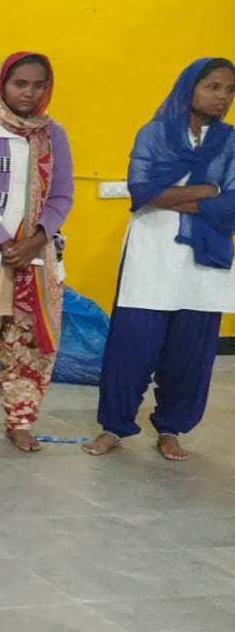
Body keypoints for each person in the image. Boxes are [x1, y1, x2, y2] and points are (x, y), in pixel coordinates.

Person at [84, 57, 235, 461]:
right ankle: (114, 426)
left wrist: (177, 198)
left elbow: (233, 205)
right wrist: (208, 192)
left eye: (229, 90)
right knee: (133, 343)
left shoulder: (230, 141)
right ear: (189, 87)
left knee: (191, 349)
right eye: (213, 87)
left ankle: (171, 428)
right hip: (152, 250)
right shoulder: (154, 134)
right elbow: (142, 191)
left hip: (206, 256)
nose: (222, 97)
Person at [0, 52, 73, 452]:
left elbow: (62, 196)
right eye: (20, 84)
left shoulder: (52, 134)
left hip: (36, 258)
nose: (29, 93)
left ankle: (21, 420)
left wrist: (35, 241)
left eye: (39, 85)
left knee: (29, 346)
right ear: (2, 84)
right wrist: (3, 243)